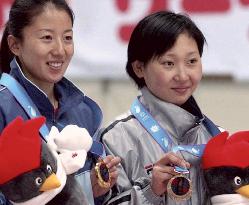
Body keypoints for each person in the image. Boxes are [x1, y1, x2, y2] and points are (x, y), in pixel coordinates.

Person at [0, 0, 120, 204]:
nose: (60, 50)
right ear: (15, 45)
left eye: (67, 38)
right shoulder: (3, 107)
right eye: (47, 38)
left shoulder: (84, 111)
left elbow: (96, 195)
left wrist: (102, 188)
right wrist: (79, 189)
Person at [101, 11, 222, 205]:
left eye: (192, 61)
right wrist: (151, 191)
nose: (182, 75)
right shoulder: (116, 138)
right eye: (169, 63)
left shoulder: (215, 137)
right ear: (139, 68)